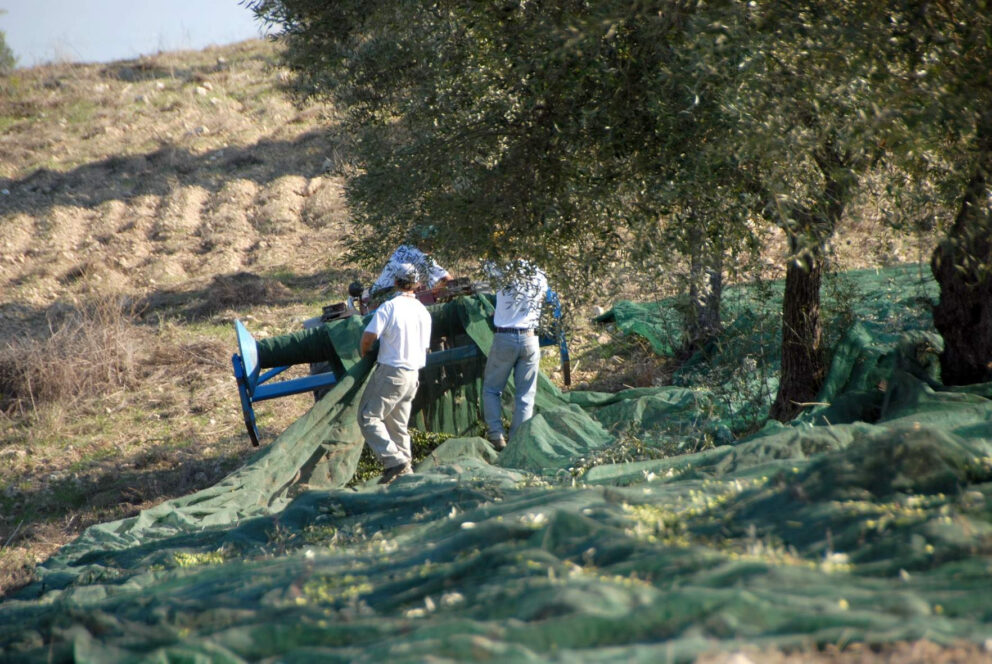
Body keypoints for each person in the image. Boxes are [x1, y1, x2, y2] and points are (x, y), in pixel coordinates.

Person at [357, 263, 433, 484]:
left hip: (392, 372)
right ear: (417, 284)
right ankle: (406, 475)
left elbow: (368, 336)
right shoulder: (423, 311)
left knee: (368, 417)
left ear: (395, 282)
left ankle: (393, 460)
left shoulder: (390, 307)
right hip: (413, 375)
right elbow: (425, 346)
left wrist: (364, 353)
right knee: (397, 425)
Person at [482, 259, 549, 450]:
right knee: (526, 394)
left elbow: (485, 271)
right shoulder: (540, 275)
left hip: (505, 337)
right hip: (530, 338)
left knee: (491, 389)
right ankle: (518, 441)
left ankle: (496, 435)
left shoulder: (500, 269)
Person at [368, 244, 453, 306]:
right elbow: (450, 280)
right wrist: (437, 292)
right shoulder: (424, 258)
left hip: (380, 298)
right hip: (388, 301)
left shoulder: (404, 247)